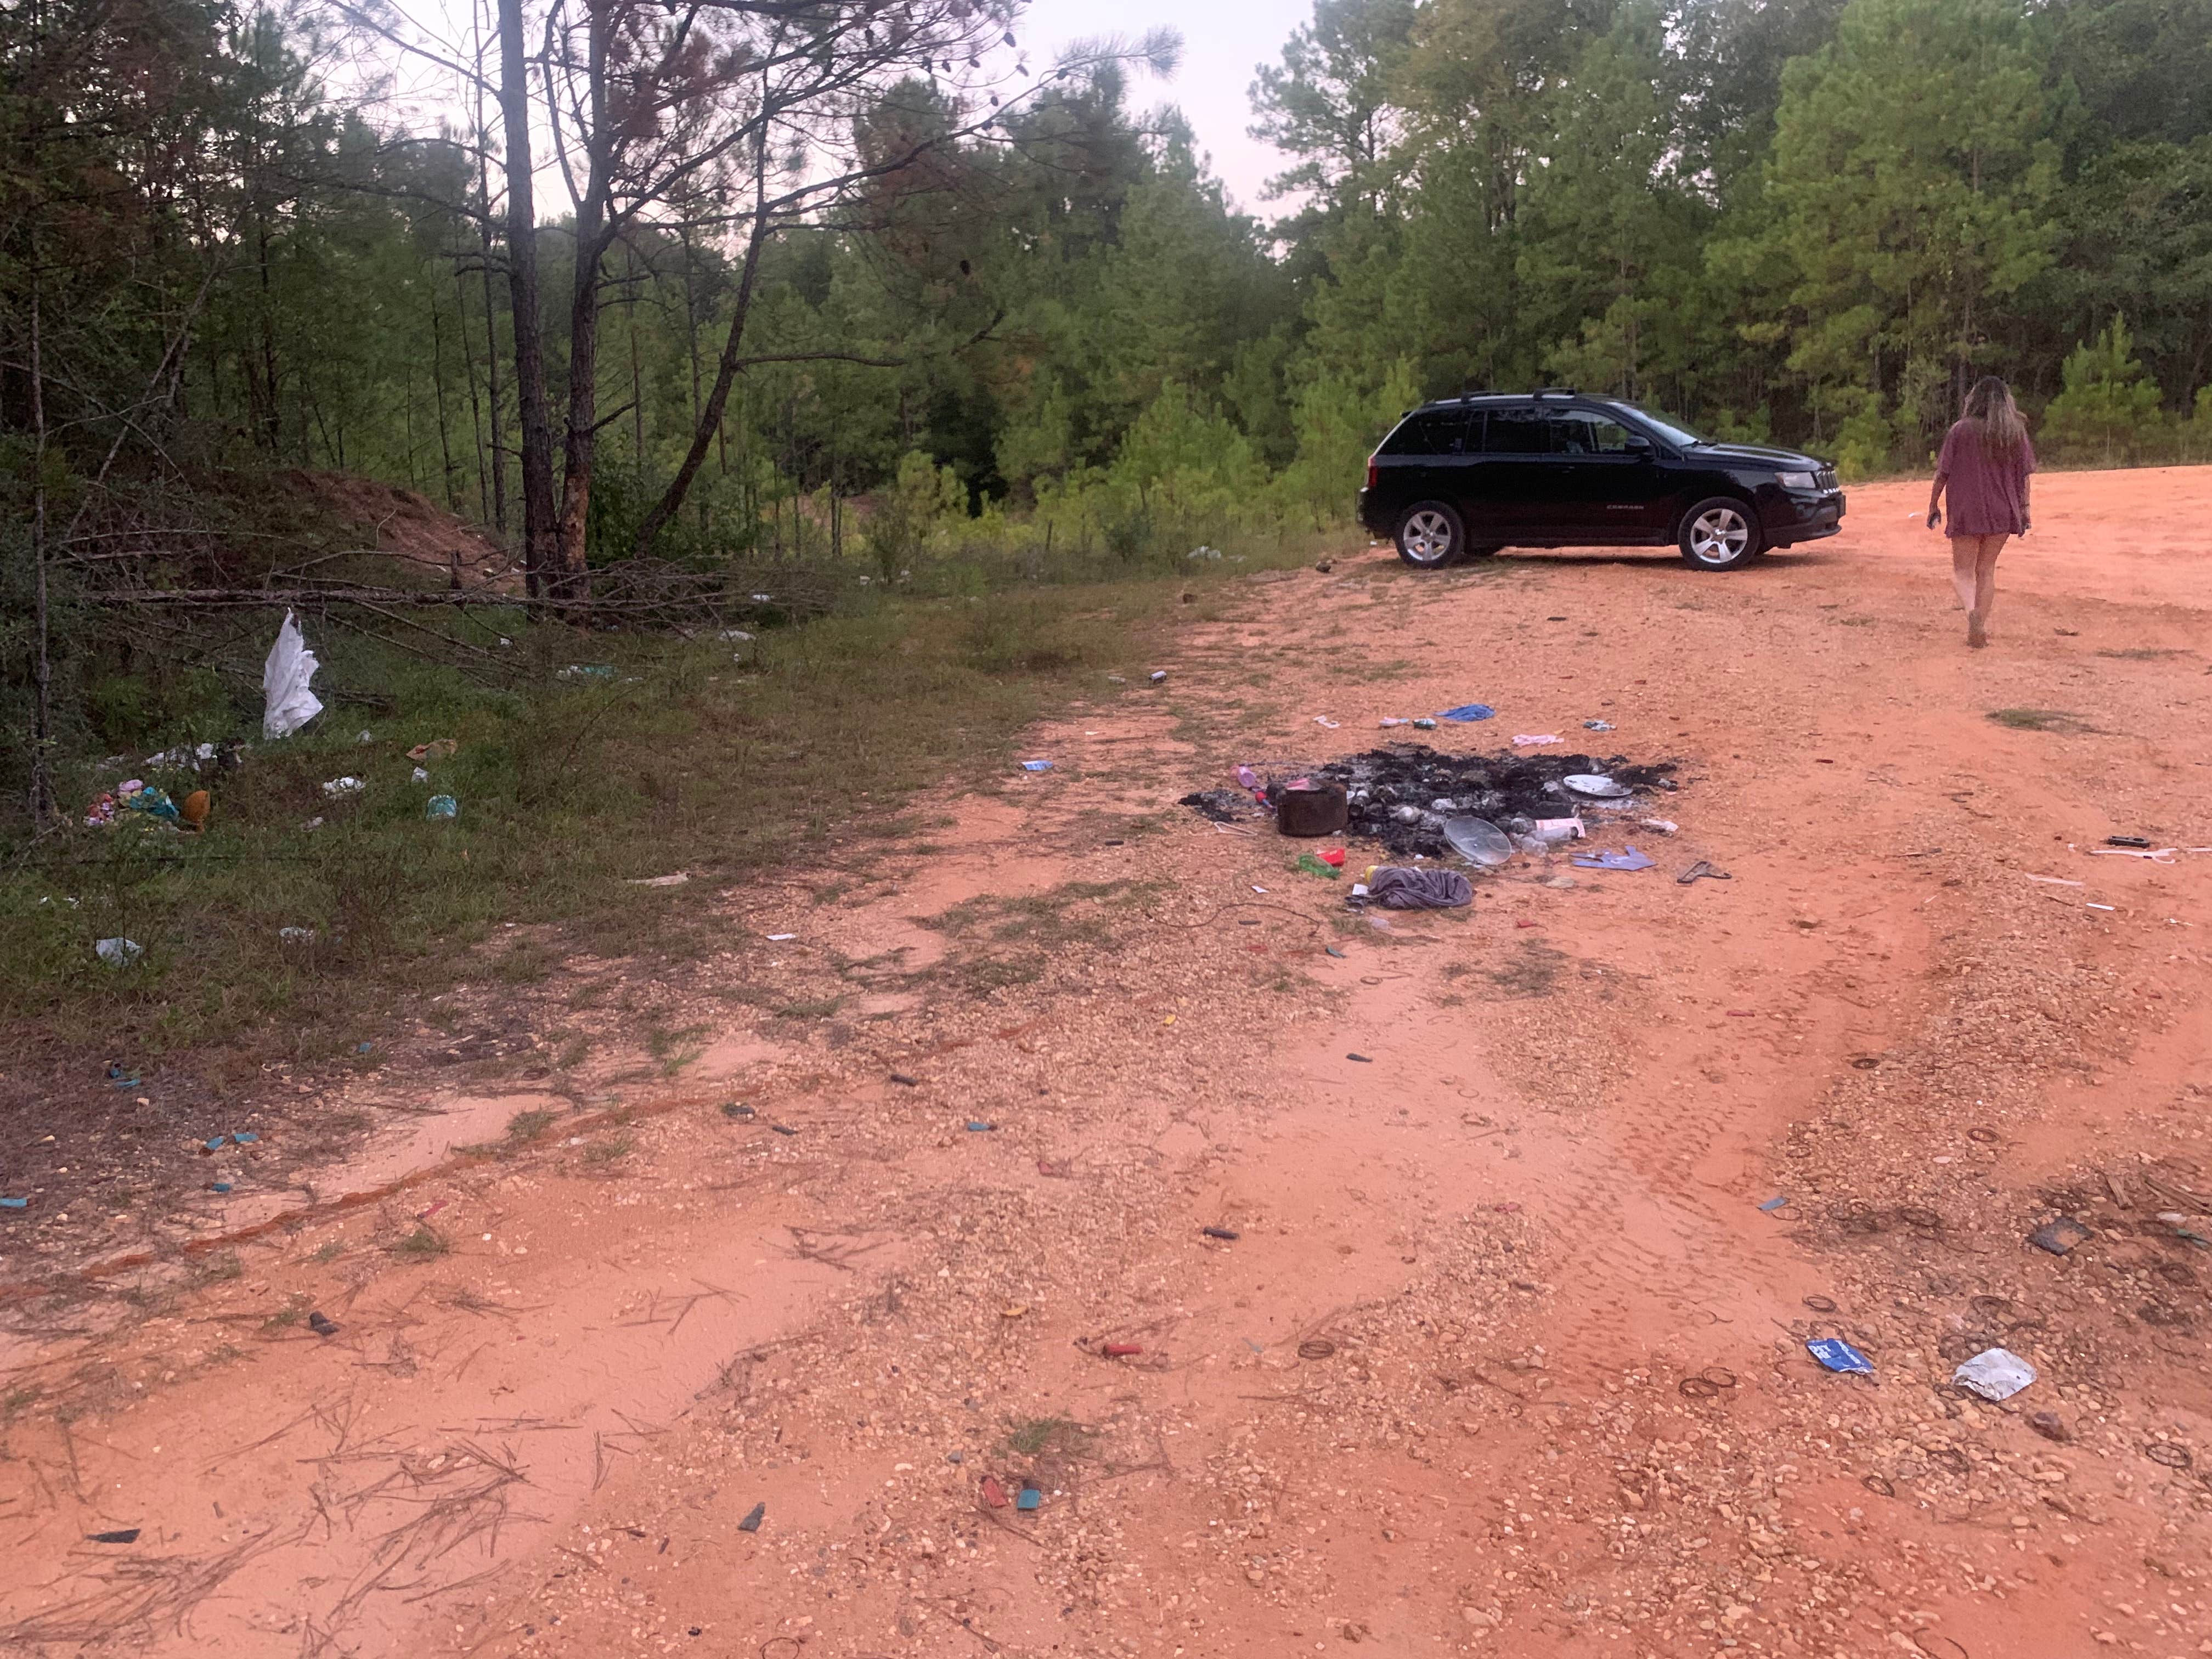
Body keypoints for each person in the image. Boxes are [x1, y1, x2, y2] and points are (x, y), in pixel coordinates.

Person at [1926, 376, 2035, 648]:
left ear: (1974, 399)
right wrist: (2025, 509)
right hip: (2003, 509)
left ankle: (1971, 614)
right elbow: (2024, 476)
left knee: (1963, 572)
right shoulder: (2015, 431)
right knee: (1986, 570)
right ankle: (1980, 625)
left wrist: (1933, 505)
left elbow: (1943, 473)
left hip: (1967, 509)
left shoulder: (1960, 430)